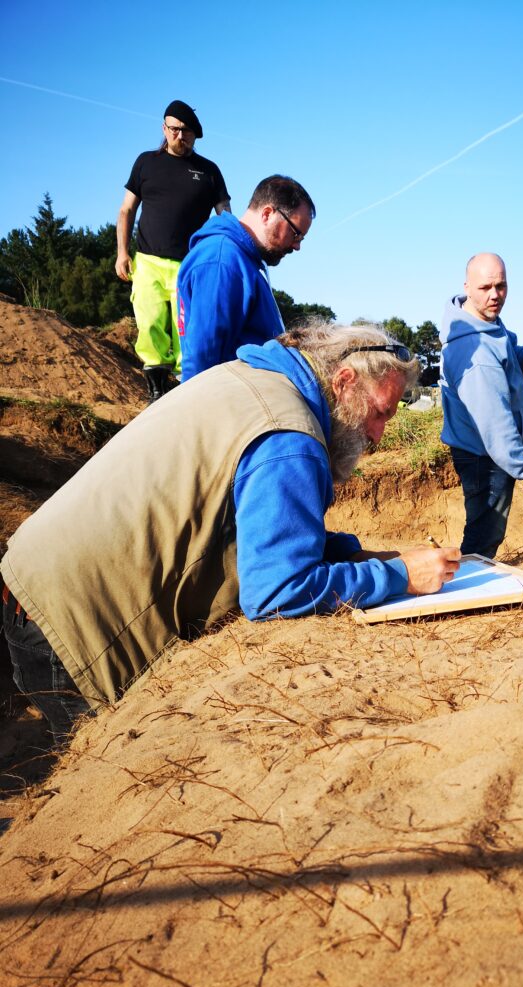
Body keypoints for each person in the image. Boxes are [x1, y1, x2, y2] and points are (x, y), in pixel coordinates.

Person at [1, 322, 460, 744]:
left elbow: (255, 529)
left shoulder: (253, 381)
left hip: (32, 576)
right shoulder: (289, 437)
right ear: (343, 382)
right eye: (382, 413)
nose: (379, 436)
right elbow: (276, 593)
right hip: (70, 623)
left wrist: (371, 558)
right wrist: (399, 577)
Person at [439, 253, 523, 559]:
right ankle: (463, 595)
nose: (495, 295)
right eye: (486, 287)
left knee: (485, 531)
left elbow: (513, 361)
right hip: (483, 456)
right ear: (467, 286)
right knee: (484, 535)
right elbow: (495, 424)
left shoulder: (485, 321)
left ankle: (467, 582)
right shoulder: (476, 353)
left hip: (485, 452)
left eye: (501, 285)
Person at [115, 99, 231, 401]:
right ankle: (155, 390)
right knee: (150, 322)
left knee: (187, 331)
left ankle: (183, 392)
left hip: (190, 265)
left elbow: (226, 217)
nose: (181, 137)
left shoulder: (209, 171)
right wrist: (122, 252)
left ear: (196, 135)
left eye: (187, 132)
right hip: (148, 260)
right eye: (175, 130)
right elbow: (127, 210)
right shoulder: (146, 163)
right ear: (164, 129)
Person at [176, 175, 314, 382]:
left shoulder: (243, 258)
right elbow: (202, 356)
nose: (297, 246)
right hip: (228, 401)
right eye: (295, 234)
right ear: (267, 214)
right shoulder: (222, 260)